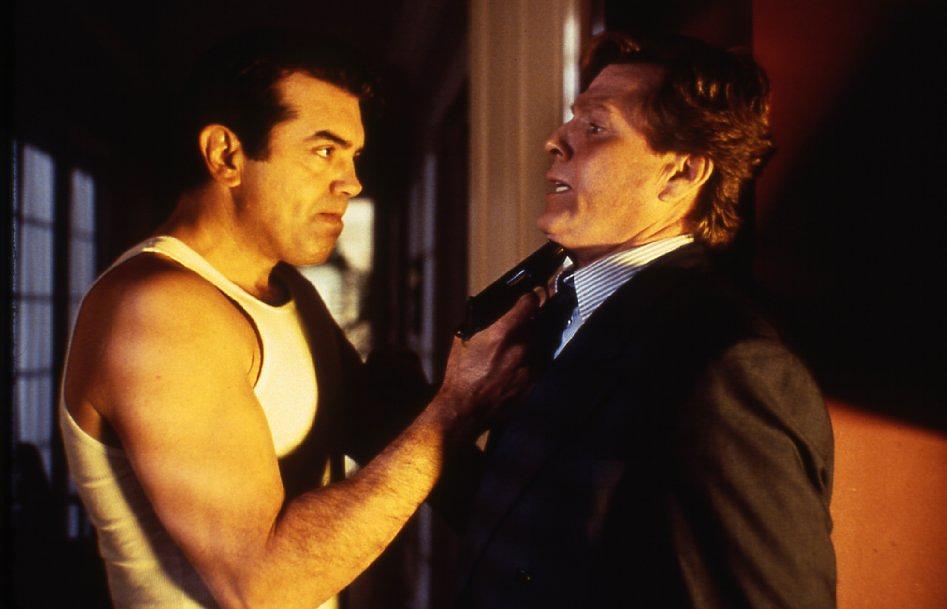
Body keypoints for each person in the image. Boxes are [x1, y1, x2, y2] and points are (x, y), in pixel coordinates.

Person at [59, 30, 534, 609]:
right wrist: (452, 409)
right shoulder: (159, 308)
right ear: (226, 155)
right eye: (324, 151)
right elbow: (265, 587)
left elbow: (379, 428)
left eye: (353, 156)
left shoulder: (287, 291)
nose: (351, 182)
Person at [452, 32, 836, 609]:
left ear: (680, 175)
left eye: (595, 126)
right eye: (572, 120)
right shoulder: (558, 316)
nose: (554, 139)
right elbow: (531, 535)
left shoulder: (729, 366)